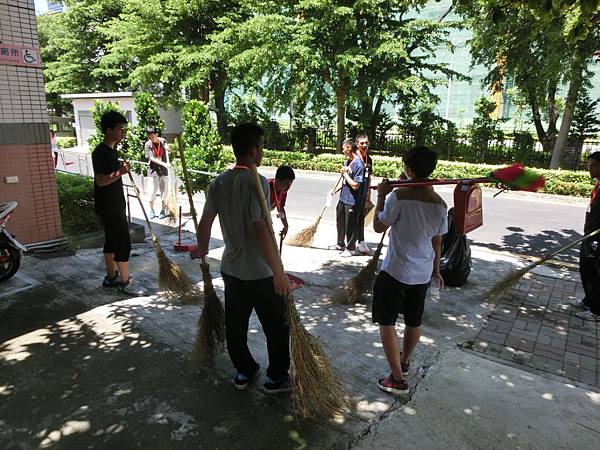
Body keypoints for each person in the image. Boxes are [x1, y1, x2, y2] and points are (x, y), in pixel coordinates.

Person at [193, 123, 292, 393]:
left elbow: (205, 222)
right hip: (259, 272)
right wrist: (279, 271)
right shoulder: (255, 180)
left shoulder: (218, 182)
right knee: (276, 326)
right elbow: (259, 228)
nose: (262, 152)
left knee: (235, 325)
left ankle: (244, 369)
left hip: (231, 269)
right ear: (252, 150)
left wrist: (201, 249)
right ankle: (277, 377)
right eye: (261, 146)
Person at [371, 146, 447, 395]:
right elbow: (437, 241)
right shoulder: (440, 204)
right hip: (422, 271)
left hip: (395, 270)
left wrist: (382, 195)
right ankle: (403, 362)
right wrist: (436, 271)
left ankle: (397, 379)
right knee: (414, 320)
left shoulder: (398, 196)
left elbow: (378, 226)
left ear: (408, 168)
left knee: (387, 321)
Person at [91, 111, 135, 294]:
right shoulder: (100, 152)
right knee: (123, 241)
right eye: (120, 128)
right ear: (109, 130)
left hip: (112, 203)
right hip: (109, 205)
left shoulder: (112, 150)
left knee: (111, 240)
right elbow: (101, 181)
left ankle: (111, 277)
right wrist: (120, 172)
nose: (122, 132)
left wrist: (120, 171)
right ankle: (125, 282)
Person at [572, 151, 600, 321]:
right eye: (588, 166)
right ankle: (589, 300)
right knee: (586, 269)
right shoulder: (598, 186)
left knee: (597, 273)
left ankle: (597, 310)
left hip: (599, 238)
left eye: (594, 166)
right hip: (590, 234)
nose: (589, 169)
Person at [329, 138, 366, 257]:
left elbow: (355, 185)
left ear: (349, 149)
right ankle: (340, 243)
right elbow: (344, 181)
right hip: (343, 198)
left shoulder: (359, 165)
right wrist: (334, 190)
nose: (342, 150)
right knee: (340, 221)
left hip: (352, 201)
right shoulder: (348, 162)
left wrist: (345, 173)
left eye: (344, 148)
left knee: (350, 225)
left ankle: (350, 248)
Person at [144, 127, 171, 219]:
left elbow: (168, 149)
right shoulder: (148, 144)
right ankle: (151, 210)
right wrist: (164, 163)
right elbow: (151, 158)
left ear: (156, 134)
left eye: (152, 136)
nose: (151, 138)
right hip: (153, 171)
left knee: (164, 192)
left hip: (163, 171)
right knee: (152, 192)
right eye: (149, 137)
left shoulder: (163, 141)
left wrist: (168, 148)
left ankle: (163, 210)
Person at [356, 134, 373, 254]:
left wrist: (369, 192)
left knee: (361, 217)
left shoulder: (369, 159)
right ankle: (345, 241)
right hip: (353, 192)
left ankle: (361, 241)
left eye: (366, 143)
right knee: (352, 217)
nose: (364, 145)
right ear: (357, 144)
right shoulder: (354, 158)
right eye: (362, 143)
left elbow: (369, 176)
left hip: (363, 192)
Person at [268, 165, 295, 241]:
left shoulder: (283, 191)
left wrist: (285, 225)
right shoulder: (266, 188)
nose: (288, 186)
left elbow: (280, 210)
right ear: (278, 180)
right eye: (286, 183)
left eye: (291, 183)